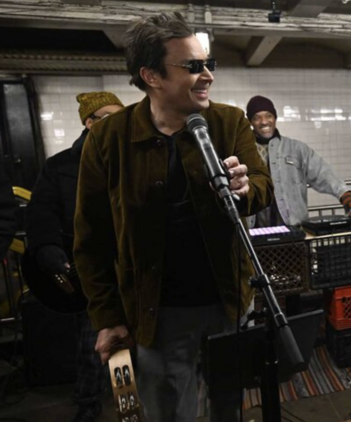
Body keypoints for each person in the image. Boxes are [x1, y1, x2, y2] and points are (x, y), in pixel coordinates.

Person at [73, 12, 273, 422]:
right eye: (193, 66)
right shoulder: (108, 139)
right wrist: (108, 319)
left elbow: (261, 184)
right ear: (151, 76)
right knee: (169, 413)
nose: (207, 76)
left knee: (228, 406)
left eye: (208, 65)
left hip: (227, 303)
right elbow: (91, 240)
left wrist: (246, 188)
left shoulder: (228, 121)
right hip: (156, 315)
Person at [26, 91, 124, 422]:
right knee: (92, 340)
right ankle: (89, 403)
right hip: (89, 271)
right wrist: (49, 252)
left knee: (138, 340)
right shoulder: (60, 166)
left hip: (133, 267)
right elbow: (42, 214)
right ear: (89, 122)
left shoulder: (132, 160)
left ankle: (132, 402)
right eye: (108, 117)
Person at [245, 95, 351, 227]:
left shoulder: (297, 149)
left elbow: (322, 172)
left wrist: (345, 195)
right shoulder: (245, 151)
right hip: (255, 231)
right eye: (257, 117)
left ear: (275, 118)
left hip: (294, 229)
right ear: (250, 122)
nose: (264, 121)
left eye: (268, 115)